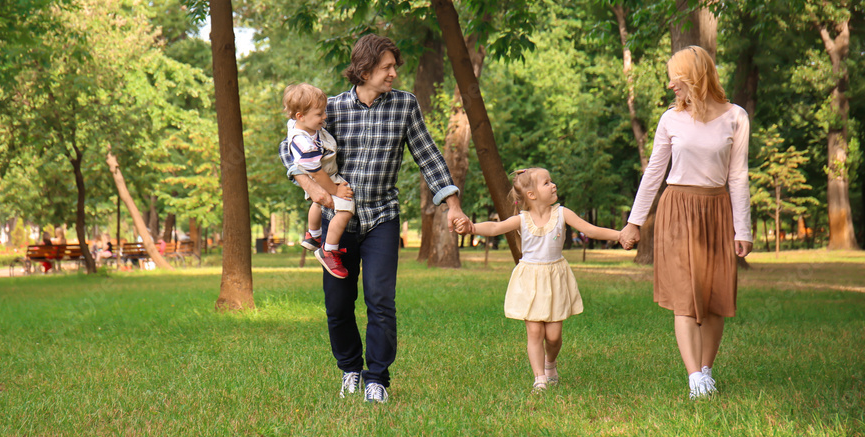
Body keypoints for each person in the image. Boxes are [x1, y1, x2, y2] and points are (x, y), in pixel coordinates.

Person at [280, 34, 473, 404]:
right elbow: (289, 144)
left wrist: (452, 204)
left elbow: (428, 155)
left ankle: (377, 379)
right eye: (386, 67)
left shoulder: (404, 106)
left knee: (381, 299)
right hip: (339, 219)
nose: (393, 74)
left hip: (382, 216)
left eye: (394, 67)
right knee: (337, 304)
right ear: (364, 70)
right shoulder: (330, 108)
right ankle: (350, 370)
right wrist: (310, 184)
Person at [618, 45, 752, 399]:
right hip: (677, 210)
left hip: (717, 210)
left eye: (674, 77)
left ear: (694, 76)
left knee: (714, 297)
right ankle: (694, 378)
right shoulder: (670, 119)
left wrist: (744, 229)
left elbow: (738, 176)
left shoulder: (736, 116)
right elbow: (653, 175)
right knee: (684, 297)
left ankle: (707, 370)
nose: (670, 85)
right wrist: (634, 222)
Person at [454, 168, 622, 391]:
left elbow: (589, 230)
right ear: (531, 195)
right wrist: (472, 228)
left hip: (555, 279)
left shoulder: (562, 214)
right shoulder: (522, 220)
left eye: (551, 182)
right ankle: (539, 378)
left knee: (553, 336)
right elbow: (495, 227)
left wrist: (619, 235)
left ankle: (550, 364)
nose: (553, 185)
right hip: (530, 281)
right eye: (546, 183)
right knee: (534, 332)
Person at [283, 82, 356, 278]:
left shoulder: (301, 125)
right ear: (301, 116)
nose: (324, 117)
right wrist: (335, 189)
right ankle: (329, 249)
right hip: (323, 177)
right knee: (346, 208)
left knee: (317, 203)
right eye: (319, 114)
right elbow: (317, 174)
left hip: (319, 175)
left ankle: (313, 235)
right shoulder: (303, 143)